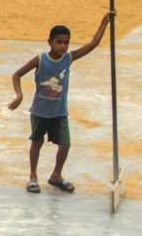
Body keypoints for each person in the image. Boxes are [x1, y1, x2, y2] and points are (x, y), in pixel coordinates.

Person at [8, 10, 115, 194]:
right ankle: (33, 177)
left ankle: (56, 175)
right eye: (58, 42)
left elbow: (93, 44)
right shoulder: (40, 59)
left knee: (65, 145)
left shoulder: (69, 58)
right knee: (37, 142)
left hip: (60, 111)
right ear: (49, 42)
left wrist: (105, 22)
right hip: (40, 111)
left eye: (66, 42)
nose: (63, 46)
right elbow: (17, 74)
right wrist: (19, 95)